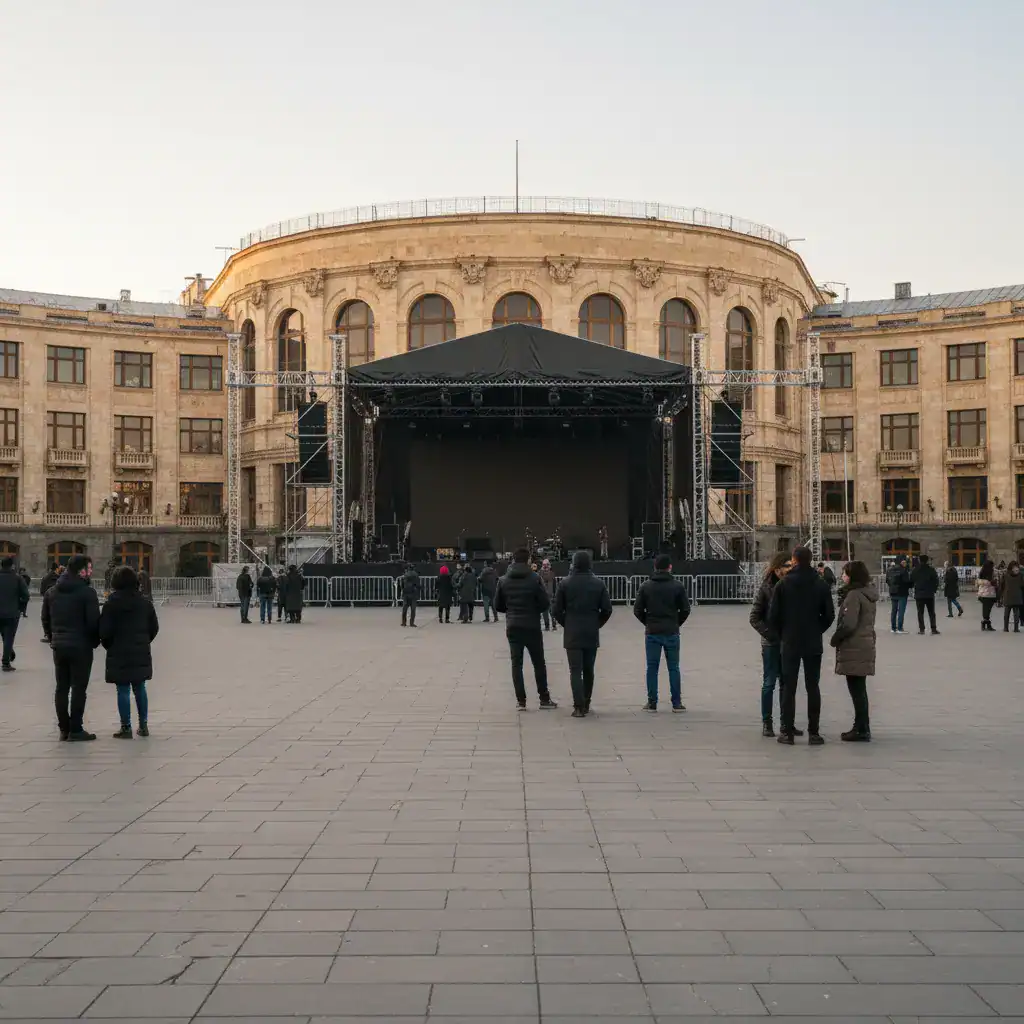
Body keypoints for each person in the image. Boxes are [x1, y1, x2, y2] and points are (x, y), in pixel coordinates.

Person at [768, 545, 835, 745]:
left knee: (789, 686)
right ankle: (814, 732)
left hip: (790, 641)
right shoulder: (821, 584)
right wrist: (817, 629)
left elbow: (773, 616)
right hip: (812, 641)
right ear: (811, 559)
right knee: (813, 686)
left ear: (794, 560)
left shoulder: (783, 584)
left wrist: (784, 633)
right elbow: (829, 615)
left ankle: (787, 732)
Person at [42, 555, 100, 741]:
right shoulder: (87, 593)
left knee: (61, 687)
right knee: (78, 688)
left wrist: (53, 638)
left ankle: (63, 728)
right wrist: (94, 641)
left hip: (59, 646)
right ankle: (76, 729)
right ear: (81, 571)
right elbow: (93, 622)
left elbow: (45, 619)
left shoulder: (51, 592)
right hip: (81, 647)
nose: (91, 572)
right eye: (89, 568)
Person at [493, 548, 557, 710]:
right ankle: (544, 698)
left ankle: (521, 701)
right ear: (528, 560)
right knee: (538, 663)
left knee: (516, 664)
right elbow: (545, 603)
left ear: (513, 560)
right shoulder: (535, 578)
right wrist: (533, 610)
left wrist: (511, 610)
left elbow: (498, 605)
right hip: (532, 625)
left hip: (513, 625)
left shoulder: (503, 580)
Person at [99, 566, 159, 739]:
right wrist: (144, 641)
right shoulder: (145, 603)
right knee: (140, 687)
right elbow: (154, 627)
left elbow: (104, 630)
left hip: (118, 650)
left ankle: (126, 727)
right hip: (140, 650)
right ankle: (143, 725)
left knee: (123, 689)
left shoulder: (111, 604)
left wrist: (109, 644)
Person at [553, 550, 612, 717]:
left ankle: (578, 707)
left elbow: (556, 610)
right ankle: (586, 702)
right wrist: (597, 624)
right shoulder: (598, 584)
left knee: (575, 670)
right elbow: (607, 609)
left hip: (572, 631)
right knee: (588, 669)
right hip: (591, 631)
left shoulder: (565, 583)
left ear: (574, 563)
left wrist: (567, 623)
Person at [633, 553, 691, 713]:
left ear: (654, 567)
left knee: (652, 668)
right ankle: (676, 703)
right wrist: (676, 623)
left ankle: (652, 702)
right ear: (670, 567)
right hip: (671, 631)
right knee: (674, 668)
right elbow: (685, 609)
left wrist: (648, 622)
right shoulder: (678, 586)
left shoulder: (646, 586)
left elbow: (637, 610)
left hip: (652, 632)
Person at [830, 560, 877, 742]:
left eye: (845, 573)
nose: (842, 576)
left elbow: (849, 623)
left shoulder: (854, 595)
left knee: (856, 690)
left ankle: (861, 728)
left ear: (852, 576)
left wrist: (836, 638)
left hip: (854, 645)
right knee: (860, 689)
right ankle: (861, 726)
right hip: (865, 644)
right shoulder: (867, 593)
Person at [749, 552, 790, 737]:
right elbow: (754, 618)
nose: (789, 569)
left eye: (791, 566)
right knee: (769, 682)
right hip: (771, 643)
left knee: (786, 683)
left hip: (788, 642)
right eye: (786, 566)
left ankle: (786, 722)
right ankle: (767, 722)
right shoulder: (766, 588)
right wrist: (770, 635)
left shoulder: (792, 586)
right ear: (777, 568)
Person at [0, 557, 29, 672]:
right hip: (11, 614)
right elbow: (26, 596)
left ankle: (9, 652)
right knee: (8, 637)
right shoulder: (17, 578)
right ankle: (6, 662)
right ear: (12, 565)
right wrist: (19, 608)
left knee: (5, 636)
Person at [910, 554, 940, 635]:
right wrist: (934, 590)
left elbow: (911, 580)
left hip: (919, 594)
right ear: (927, 560)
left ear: (919, 560)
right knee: (931, 612)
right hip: (929, 594)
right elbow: (936, 581)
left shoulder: (915, 570)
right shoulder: (931, 569)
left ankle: (921, 629)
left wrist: (914, 587)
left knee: (920, 612)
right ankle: (933, 629)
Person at [885, 556, 911, 634]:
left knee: (894, 610)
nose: (905, 564)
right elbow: (907, 582)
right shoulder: (904, 570)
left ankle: (893, 628)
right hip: (902, 593)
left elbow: (887, 580)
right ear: (901, 562)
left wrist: (892, 587)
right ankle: (900, 628)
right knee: (901, 611)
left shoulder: (889, 570)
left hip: (893, 592)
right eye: (904, 562)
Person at [998, 560, 1024, 632]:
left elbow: (1002, 585)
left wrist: (1000, 595)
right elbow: (1022, 585)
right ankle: (1016, 628)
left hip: (1007, 595)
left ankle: (1006, 628)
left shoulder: (1005, 575)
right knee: (1016, 613)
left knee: (1007, 612)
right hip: (1017, 595)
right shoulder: (1020, 575)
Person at [39, 563, 60, 643]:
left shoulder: (45, 578)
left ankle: (48, 634)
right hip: (57, 599)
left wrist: (45, 596)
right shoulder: (59, 577)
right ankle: (56, 634)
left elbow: (42, 590)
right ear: (56, 569)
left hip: (48, 599)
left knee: (47, 616)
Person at [977, 559, 997, 631]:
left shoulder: (982, 572)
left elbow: (978, 582)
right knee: (987, 609)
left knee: (986, 609)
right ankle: (986, 623)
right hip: (988, 594)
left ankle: (985, 623)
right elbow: (993, 582)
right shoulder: (991, 573)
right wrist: (991, 582)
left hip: (983, 594)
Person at [538, 559, 558, 632]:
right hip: (547, 595)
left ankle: (549, 626)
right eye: (544, 565)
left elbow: (554, 585)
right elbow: (555, 586)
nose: (545, 566)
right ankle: (551, 626)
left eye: (546, 565)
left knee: (548, 612)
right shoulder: (549, 573)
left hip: (547, 595)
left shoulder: (541, 574)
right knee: (548, 612)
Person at [400, 562, 420, 627]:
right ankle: (412, 623)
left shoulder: (405, 575)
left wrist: (403, 590)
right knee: (413, 609)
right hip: (413, 593)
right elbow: (418, 584)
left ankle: (404, 622)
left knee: (405, 608)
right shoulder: (416, 575)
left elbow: (402, 584)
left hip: (406, 593)